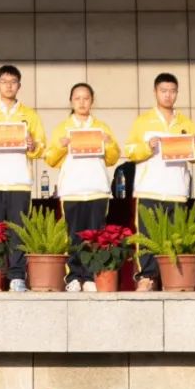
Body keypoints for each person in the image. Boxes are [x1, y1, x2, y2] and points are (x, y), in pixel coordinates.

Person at [124, 72, 195, 291]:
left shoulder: (186, 123)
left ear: (177, 93)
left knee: (175, 238)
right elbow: (130, 151)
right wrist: (146, 147)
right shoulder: (143, 122)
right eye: (164, 91)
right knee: (146, 236)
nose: (168, 95)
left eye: (172, 91)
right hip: (149, 189)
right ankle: (146, 277)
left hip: (177, 190)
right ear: (155, 92)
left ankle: (173, 279)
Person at [0, 65, 47, 292]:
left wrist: (33, 145)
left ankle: (17, 277)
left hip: (20, 181)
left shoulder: (29, 115)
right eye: (4, 82)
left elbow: (41, 146)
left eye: (13, 82)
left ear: (19, 85)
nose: (9, 86)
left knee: (18, 231)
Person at [44, 83, 121, 292]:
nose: (82, 102)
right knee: (73, 236)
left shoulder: (102, 127)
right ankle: (73, 277)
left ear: (92, 101)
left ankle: (90, 277)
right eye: (77, 98)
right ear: (71, 101)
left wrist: (109, 143)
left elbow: (113, 158)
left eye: (86, 98)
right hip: (72, 190)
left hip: (97, 189)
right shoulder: (63, 127)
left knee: (95, 235)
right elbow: (50, 159)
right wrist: (61, 145)